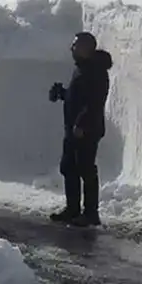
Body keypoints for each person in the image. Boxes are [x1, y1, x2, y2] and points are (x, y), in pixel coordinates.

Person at [48, 31, 113, 227]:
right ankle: (73, 209)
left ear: (85, 49)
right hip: (74, 129)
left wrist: (81, 124)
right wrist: (62, 94)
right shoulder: (83, 69)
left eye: (75, 46)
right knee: (69, 167)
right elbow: (78, 98)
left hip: (86, 130)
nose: (72, 49)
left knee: (85, 168)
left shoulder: (96, 71)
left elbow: (94, 101)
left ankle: (91, 213)